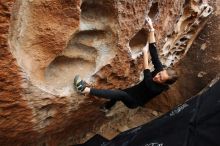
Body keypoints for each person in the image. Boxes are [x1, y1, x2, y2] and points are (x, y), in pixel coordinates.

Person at [73, 16, 178, 111]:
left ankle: (84, 89)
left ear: (164, 84)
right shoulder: (160, 71)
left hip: (134, 101)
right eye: (160, 74)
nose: (157, 76)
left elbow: (147, 75)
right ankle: (106, 107)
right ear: (163, 70)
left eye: (161, 79)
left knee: (121, 95)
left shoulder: (157, 88)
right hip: (133, 91)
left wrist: (145, 54)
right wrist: (151, 29)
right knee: (118, 93)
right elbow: (154, 52)